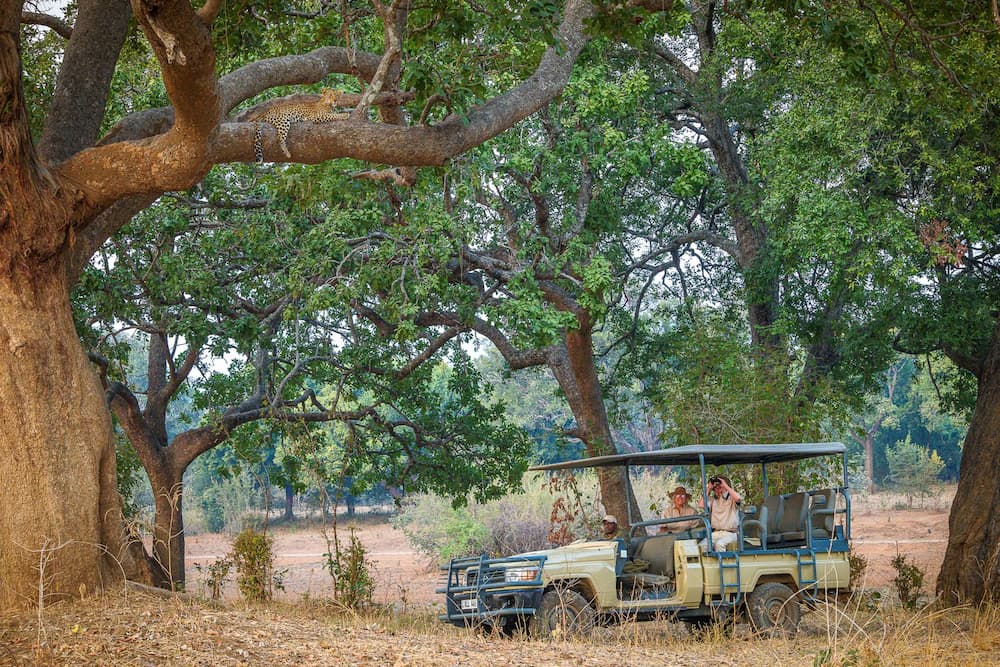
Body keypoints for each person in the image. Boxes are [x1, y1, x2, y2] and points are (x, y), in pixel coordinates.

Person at [698, 475, 741, 552]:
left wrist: (725, 485)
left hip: (731, 533)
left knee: (719, 544)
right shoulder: (712, 500)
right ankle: (709, 564)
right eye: (715, 488)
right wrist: (708, 488)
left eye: (719, 487)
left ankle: (723, 563)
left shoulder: (732, 498)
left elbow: (738, 498)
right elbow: (700, 505)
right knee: (702, 545)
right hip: (716, 533)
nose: (717, 490)